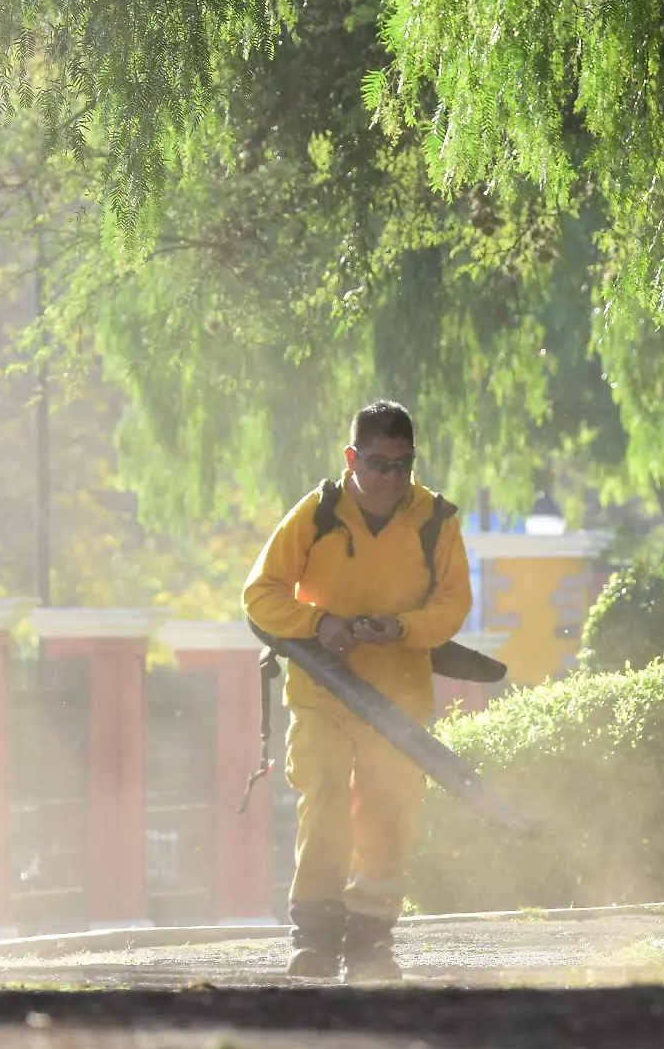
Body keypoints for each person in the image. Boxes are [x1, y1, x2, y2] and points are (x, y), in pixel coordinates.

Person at [241, 399, 473, 981]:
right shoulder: (318, 513)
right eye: (378, 463)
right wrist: (320, 625)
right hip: (322, 693)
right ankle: (314, 939)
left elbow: (452, 606)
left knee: (388, 814)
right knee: (324, 800)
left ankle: (371, 943)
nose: (392, 478)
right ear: (351, 457)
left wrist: (400, 629)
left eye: (403, 465)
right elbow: (260, 593)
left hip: (398, 705)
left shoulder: (436, 521)